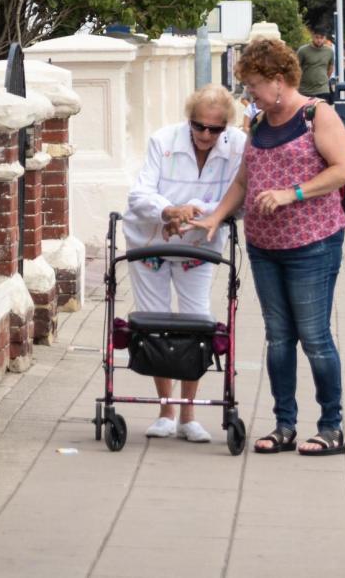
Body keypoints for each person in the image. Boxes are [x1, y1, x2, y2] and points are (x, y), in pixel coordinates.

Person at [189, 38, 345, 456]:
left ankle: (331, 427)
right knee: (279, 339)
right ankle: (285, 425)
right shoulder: (260, 124)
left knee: (314, 337)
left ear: (279, 82)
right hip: (265, 247)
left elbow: (343, 170)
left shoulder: (318, 115)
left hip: (312, 245)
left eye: (255, 86)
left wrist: (292, 194)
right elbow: (244, 182)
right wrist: (215, 217)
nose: (250, 95)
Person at [123, 84, 247, 443]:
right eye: (199, 126)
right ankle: (166, 409)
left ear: (226, 127)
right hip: (152, 242)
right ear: (188, 120)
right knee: (154, 321)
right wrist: (168, 210)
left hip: (200, 245)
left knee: (197, 323)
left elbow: (237, 200)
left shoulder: (238, 145)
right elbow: (138, 194)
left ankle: (188, 415)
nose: (206, 135)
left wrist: (196, 211)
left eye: (216, 129)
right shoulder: (164, 140)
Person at [296, 28, 335, 103]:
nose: (319, 40)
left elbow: (330, 67)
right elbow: (296, 68)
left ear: (325, 38)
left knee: (321, 113)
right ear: (313, 37)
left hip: (323, 89)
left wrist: (324, 79)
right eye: (317, 37)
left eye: (321, 38)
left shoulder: (329, 51)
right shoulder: (303, 51)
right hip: (305, 90)